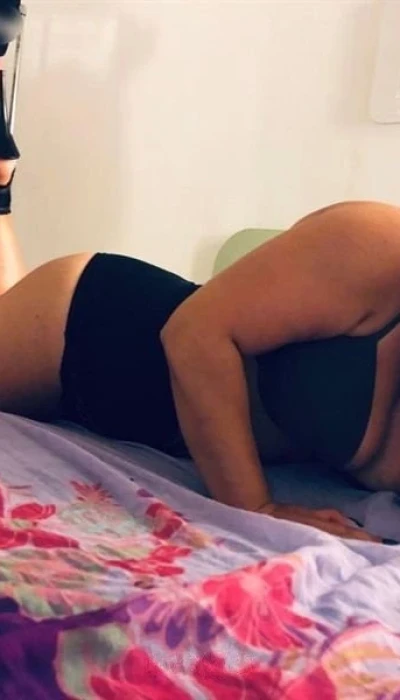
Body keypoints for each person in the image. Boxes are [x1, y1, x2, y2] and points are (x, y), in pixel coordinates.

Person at [1, 81, 399, 545]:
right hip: (88, 337)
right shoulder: (377, 245)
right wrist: (255, 508)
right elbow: (195, 332)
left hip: (147, 433)